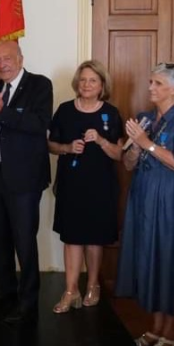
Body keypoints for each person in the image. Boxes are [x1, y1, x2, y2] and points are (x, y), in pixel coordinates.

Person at [116, 62, 174, 346]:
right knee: (149, 258)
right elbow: (127, 163)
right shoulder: (145, 118)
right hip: (144, 196)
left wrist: (146, 143)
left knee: (169, 260)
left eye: (158, 84)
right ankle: (154, 327)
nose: (150, 88)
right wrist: (136, 147)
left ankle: (171, 333)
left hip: (171, 199)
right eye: (150, 82)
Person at [0, 40, 53, 324]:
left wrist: (0, 112)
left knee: (24, 241)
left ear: (20, 58)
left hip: (24, 178)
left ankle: (27, 302)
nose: (2, 64)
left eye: (7, 58)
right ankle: (4, 293)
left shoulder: (40, 85)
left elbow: (38, 124)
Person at [48, 60, 123, 313]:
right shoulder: (65, 110)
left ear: (102, 85)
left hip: (100, 184)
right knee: (72, 238)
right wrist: (67, 148)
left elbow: (119, 154)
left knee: (94, 239)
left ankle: (93, 285)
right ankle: (71, 290)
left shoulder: (111, 113)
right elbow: (50, 144)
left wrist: (101, 140)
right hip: (72, 183)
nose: (87, 85)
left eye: (92, 80)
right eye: (83, 80)